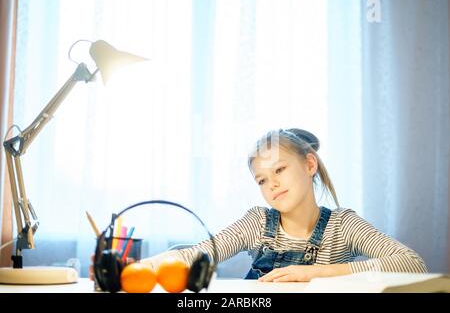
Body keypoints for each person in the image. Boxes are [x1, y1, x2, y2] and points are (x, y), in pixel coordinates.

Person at [90, 128, 427, 282]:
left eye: (279, 170)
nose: (272, 184)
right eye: (262, 180)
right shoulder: (257, 222)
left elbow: (412, 264)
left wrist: (317, 273)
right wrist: (133, 271)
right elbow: (198, 252)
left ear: (310, 165)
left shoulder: (343, 226)